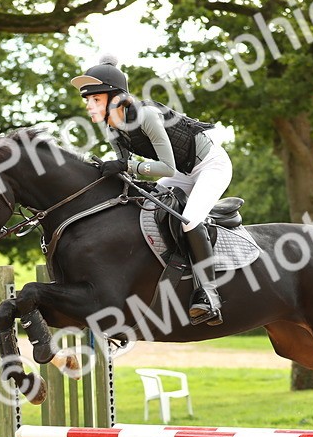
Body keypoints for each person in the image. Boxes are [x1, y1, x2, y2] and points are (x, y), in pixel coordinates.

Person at [70, 55, 231, 326]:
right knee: (146, 210)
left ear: (116, 99)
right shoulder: (113, 127)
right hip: (182, 173)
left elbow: (166, 168)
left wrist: (125, 165)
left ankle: (209, 294)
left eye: (95, 99)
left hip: (210, 166)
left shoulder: (146, 115)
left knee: (190, 220)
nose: (88, 106)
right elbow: (126, 170)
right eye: (87, 100)